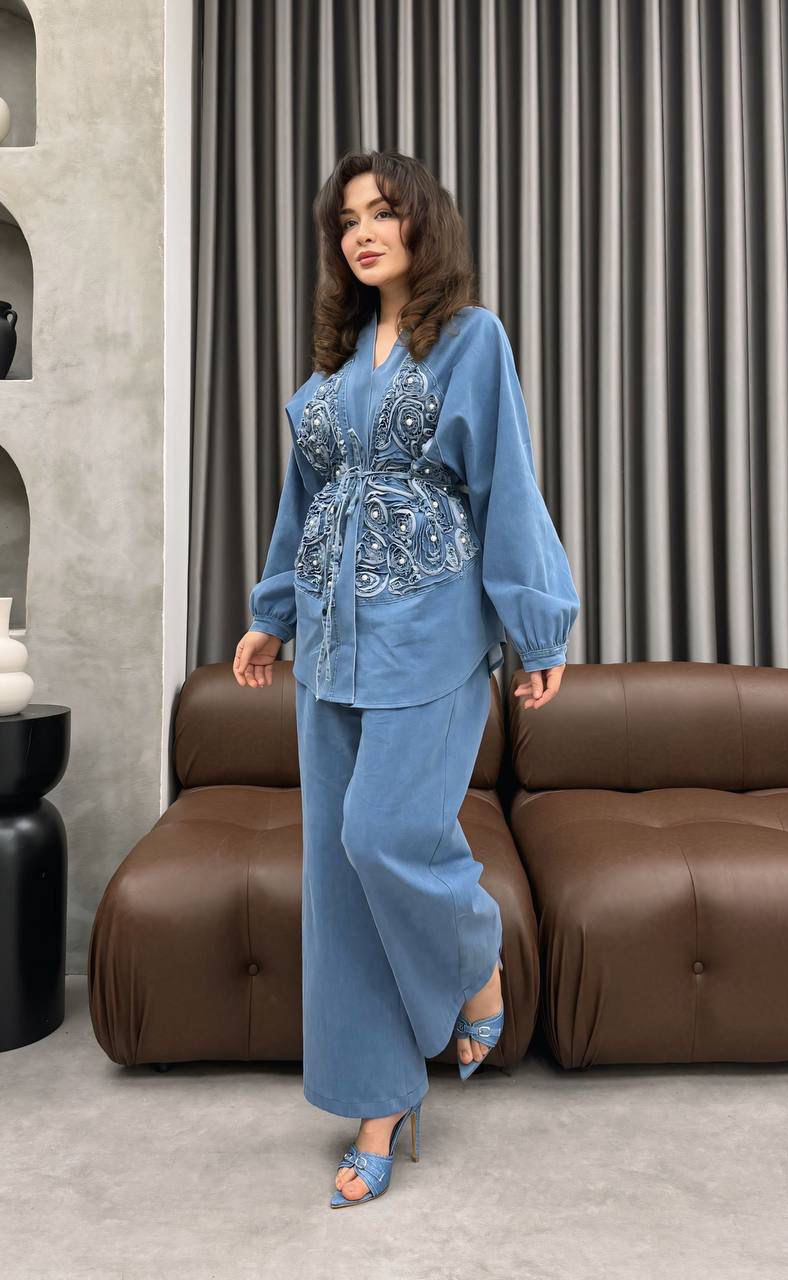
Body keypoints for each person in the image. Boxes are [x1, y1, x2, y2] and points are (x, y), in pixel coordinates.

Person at [232, 149, 580, 1208]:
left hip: (428, 635)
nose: (362, 233)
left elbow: (505, 483)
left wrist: (536, 626)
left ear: (423, 224)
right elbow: (302, 504)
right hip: (326, 648)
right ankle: (377, 1105)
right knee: (341, 880)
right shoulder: (332, 370)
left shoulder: (471, 339)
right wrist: (270, 616)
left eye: (382, 213)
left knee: (385, 835)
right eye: (346, 221)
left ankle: (476, 960)